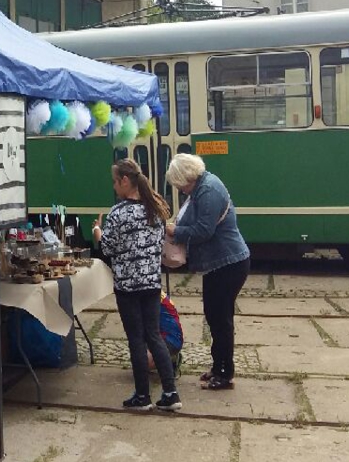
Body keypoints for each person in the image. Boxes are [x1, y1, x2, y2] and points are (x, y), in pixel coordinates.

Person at [93, 158, 181, 412]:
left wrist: (99, 234)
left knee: (136, 339)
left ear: (124, 181)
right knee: (154, 336)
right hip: (152, 285)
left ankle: (142, 395)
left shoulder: (118, 213)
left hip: (128, 287)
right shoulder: (155, 208)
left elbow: (108, 248)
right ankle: (171, 392)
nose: (113, 186)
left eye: (114, 181)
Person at [165, 153, 251, 391]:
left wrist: (175, 232)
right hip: (220, 262)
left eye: (180, 184)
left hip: (229, 262)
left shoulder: (208, 191)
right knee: (214, 315)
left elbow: (204, 230)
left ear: (187, 176)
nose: (181, 190)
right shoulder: (203, 187)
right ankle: (218, 366)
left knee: (221, 319)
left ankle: (225, 373)